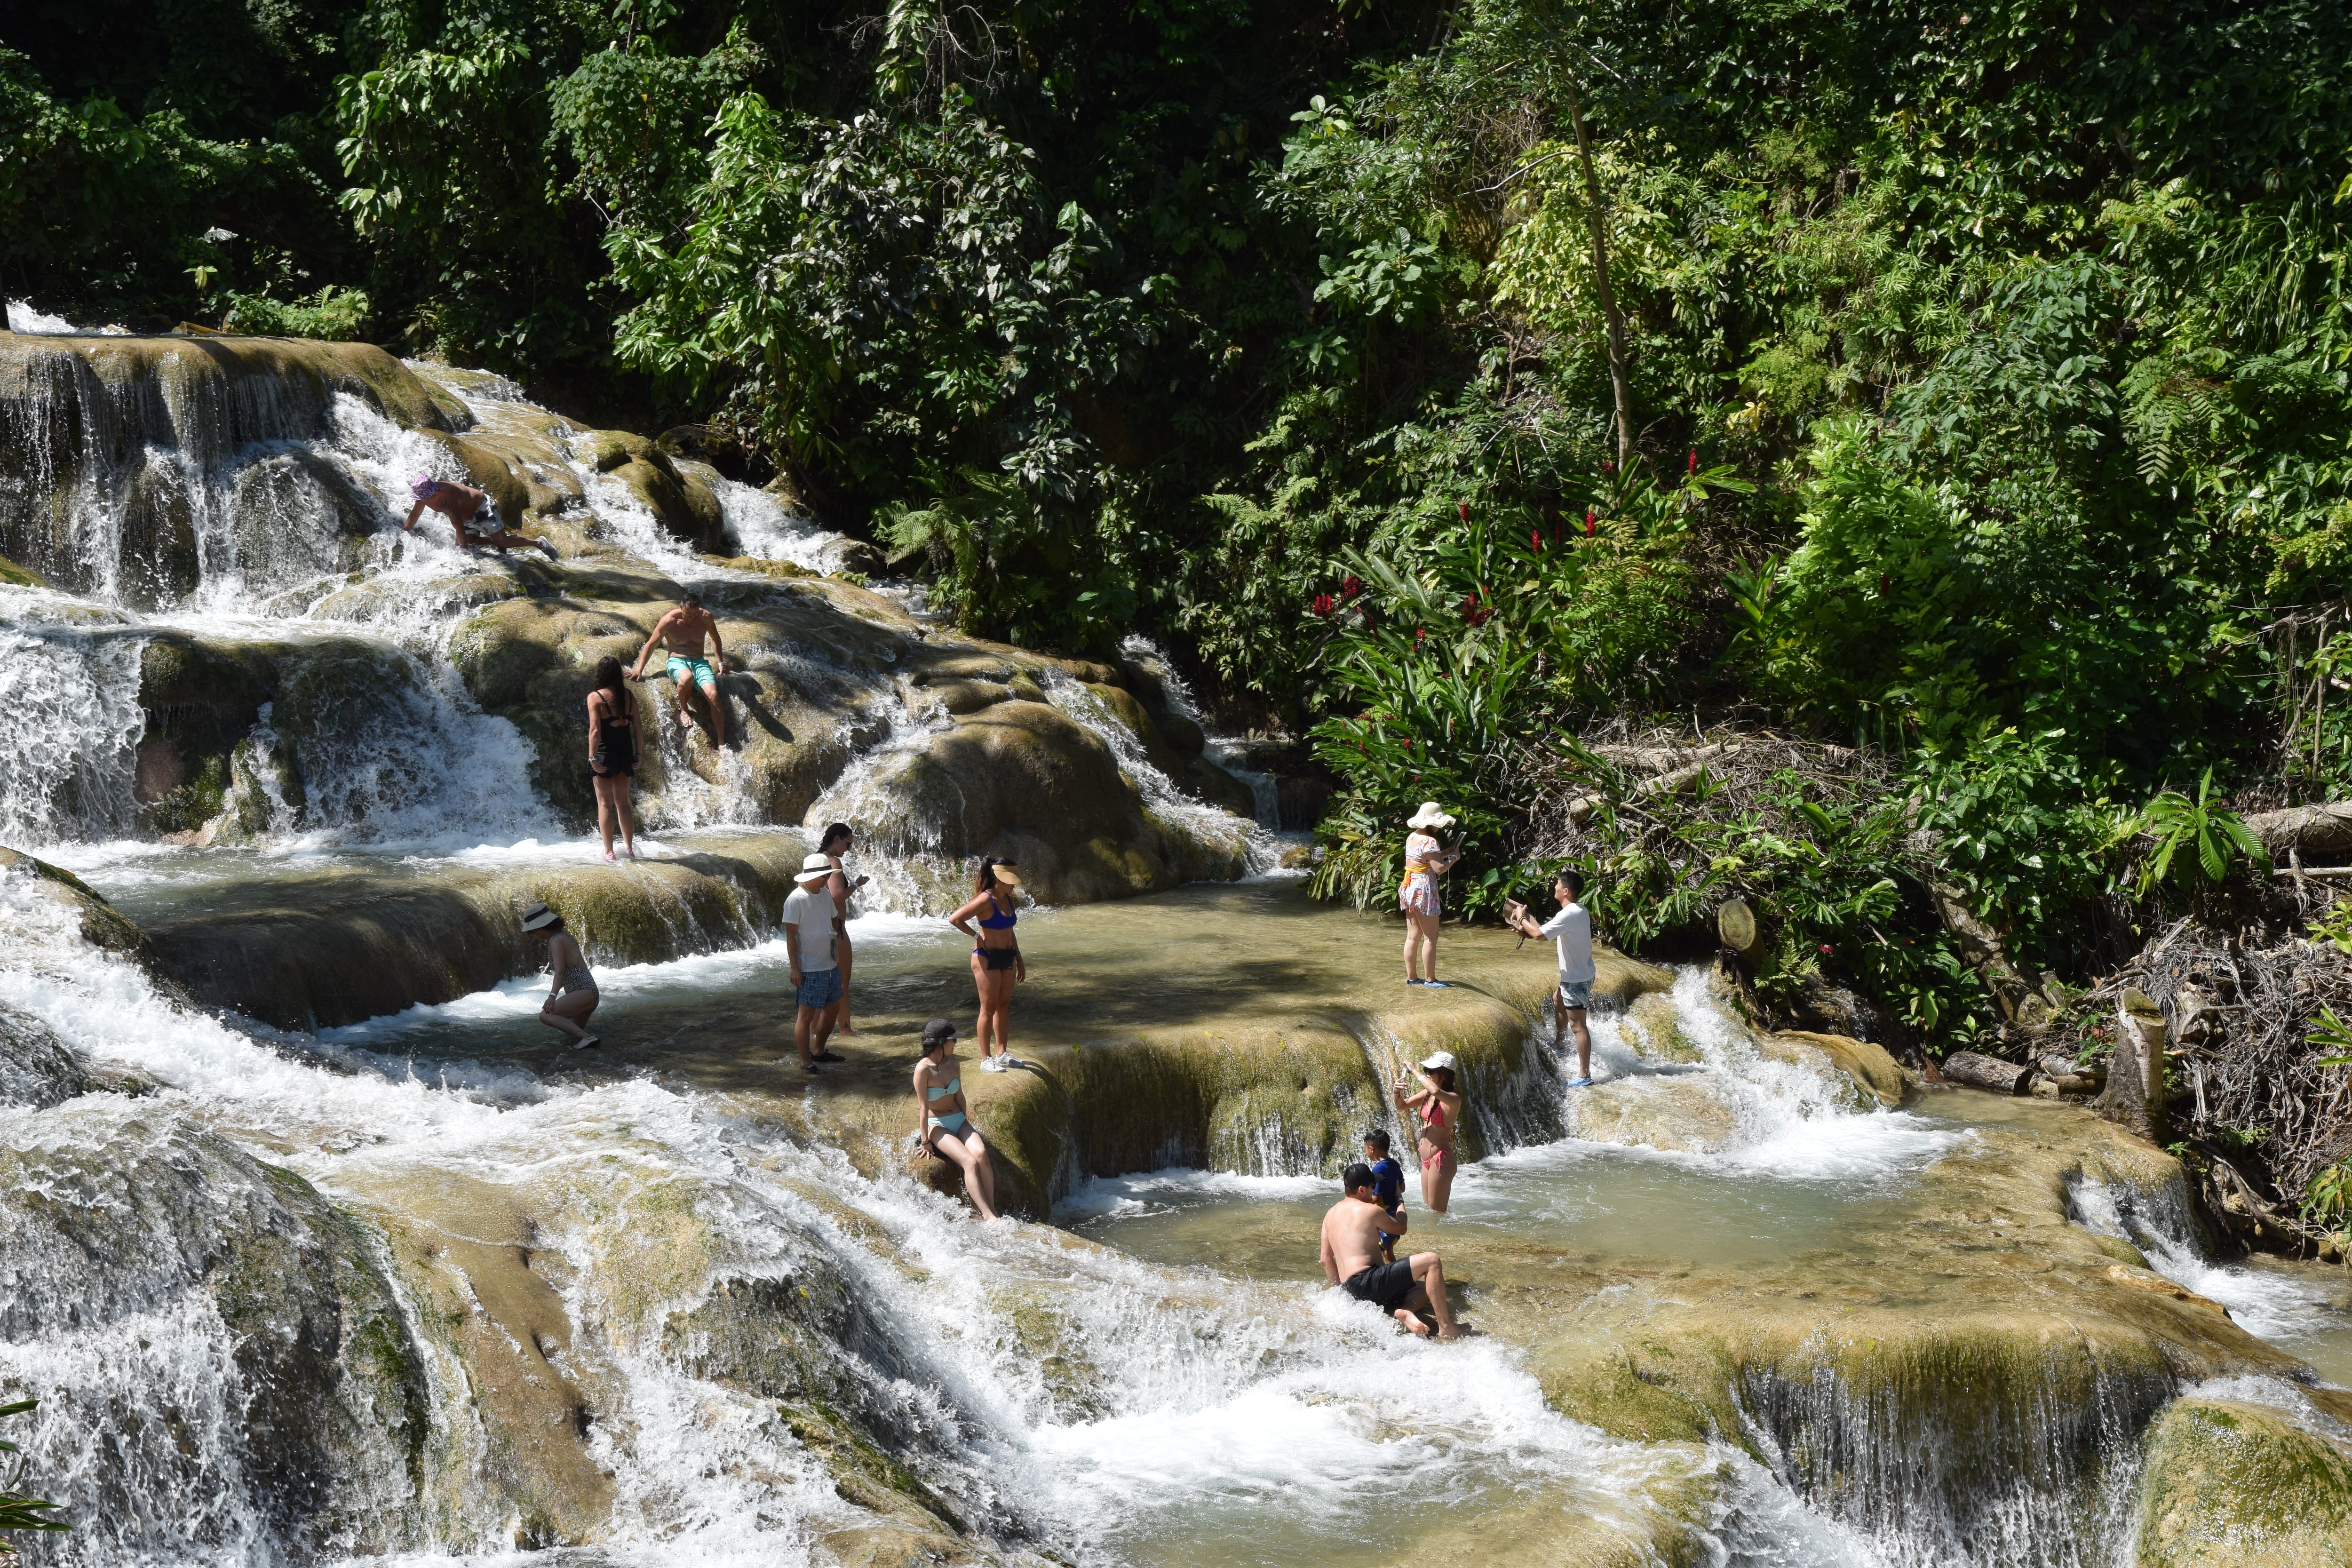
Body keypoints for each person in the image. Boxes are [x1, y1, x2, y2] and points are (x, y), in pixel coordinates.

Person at [1319, 1162, 1462, 1339]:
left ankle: (1405, 1312)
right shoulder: (1370, 1211)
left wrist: (1342, 1294)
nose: (1374, 1191)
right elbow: (1401, 1227)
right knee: (1432, 1261)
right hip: (1369, 1281)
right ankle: (1446, 1327)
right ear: (1362, 1190)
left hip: (1351, 1289)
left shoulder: (1329, 1216)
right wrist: (1400, 1199)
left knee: (1427, 1287)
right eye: (1372, 1187)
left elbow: (1325, 1259)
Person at [1503, 868, 1598, 1088]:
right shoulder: (1579, 910)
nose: (1554, 887)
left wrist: (1520, 918)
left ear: (1566, 891)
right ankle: (1560, 1041)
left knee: (1579, 1026)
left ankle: (1585, 1075)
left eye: (1557, 885)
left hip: (1575, 979)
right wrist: (1525, 928)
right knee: (1558, 1000)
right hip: (1582, 973)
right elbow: (1542, 932)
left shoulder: (1568, 914)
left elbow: (1538, 934)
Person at [913, 1017, 1001, 1221]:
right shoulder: (922, 1070)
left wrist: (965, 1123)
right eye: (953, 1039)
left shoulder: (954, 1063)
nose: (956, 1043)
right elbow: (923, 1109)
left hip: (958, 1120)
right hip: (937, 1125)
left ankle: (993, 1208)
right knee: (969, 1162)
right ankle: (987, 1215)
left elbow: (959, 1095)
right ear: (942, 1042)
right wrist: (925, 1141)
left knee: (981, 1154)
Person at [948, 856, 1026, 1071]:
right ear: (998, 879)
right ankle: (986, 1059)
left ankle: (1003, 1053)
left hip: (1007, 957)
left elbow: (1010, 932)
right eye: (1010, 881)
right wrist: (976, 936)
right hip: (986, 957)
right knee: (988, 1009)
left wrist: (1019, 959)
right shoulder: (986, 899)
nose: (1013, 885)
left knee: (1003, 1005)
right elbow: (955, 918)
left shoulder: (1008, 898)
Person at [628, 590, 730, 746]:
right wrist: (639, 670)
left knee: (714, 695)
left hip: (699, 662)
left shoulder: (706, 617)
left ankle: (722, 741)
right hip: (677, 661)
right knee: (687, 677)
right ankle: (684, 709)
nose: (692, 617)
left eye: (695, 613)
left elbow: (715, 639)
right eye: (689, 613)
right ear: (681, 607)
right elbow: (651, 644)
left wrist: (721, 663)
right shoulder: (669, 621)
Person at [784, 852, 847, 1074]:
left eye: (828, 875)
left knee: (833, 1009)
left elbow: (831, 921)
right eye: (825, 875)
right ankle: (805, 1061)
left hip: (830, 965)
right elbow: (790, 936)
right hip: (810, 968)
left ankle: (819, 1051)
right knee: (807, 1015)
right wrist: (795, 968)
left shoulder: (825, 895)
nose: (827, 879)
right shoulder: (795, 899)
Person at [403, 474, 554, 558]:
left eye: (422, 497)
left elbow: (458, 527)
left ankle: (539, 543)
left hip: (481, 508)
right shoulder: (423, 497)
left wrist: (462, 556)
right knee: (472, 543)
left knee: (504, 542)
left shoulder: (448, 498)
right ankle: (497, 542)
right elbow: (415, 513)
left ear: (434, 493)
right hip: (465, 517)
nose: (419, 499)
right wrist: (405, 532)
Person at [1398, 802, 1462, 987]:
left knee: (1413, 936)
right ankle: (1430, 979)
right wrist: (1453, 858)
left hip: (1409, 886)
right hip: (1424, 890)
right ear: (1433, 824)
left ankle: (1412, 978)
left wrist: (1444, 853)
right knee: (1431, 937)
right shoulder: (1431, 840)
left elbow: (1423, 859)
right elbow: (1439, 869)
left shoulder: (1412, 837)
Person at [1394, 1050, 1464, 1214]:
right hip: (1426, 1160)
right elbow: (1401, 1106)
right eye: (1426, 1070)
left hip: (1441, 1160)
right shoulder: (1428, 1094)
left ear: (1444, 1075)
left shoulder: (1453, 1099)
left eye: (1431, 1071)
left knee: (1438, 1213)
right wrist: (1396, 1091)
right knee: (1429, 1210)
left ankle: (1446, 1239)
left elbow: (1436, 1092)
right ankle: (1434, 1240)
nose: (1427, 1074)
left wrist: (1415, 1071)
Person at [585, 656, 640, 863]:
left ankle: (609, 851)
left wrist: (592, 758)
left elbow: (595, 730)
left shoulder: (595, 697)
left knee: (605, 804)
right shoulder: (628, 695)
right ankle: (629, 848)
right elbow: (638, 727)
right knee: (623, 802)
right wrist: (639, 754)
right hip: (626, 751)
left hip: (605, 753)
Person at [522, 902, 599, 1049]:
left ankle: (588, 1038)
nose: (534, 935)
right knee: (570, 1037)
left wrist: (552, 996)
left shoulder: (556, 941)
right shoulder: (563, 935)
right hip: (588, 993)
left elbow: (560, 972)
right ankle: (587, 1041)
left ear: (540, 928)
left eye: (532, 931)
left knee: (546, 1016)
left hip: (584, 993)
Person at [819, 822, 869, 1035]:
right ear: (837, 839)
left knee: (820, 981)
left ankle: (814, 1029)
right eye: (848, 844)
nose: (848, 849)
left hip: (817, 930)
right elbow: (838, 895)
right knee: (842, 983)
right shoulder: (833, 862)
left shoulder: (815, 859)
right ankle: (845, 1029)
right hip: (837, 929)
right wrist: (856, 885)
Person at [1363, 1128, 1407, 1262]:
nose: (1365, 1152)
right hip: (1395, 1215)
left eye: (1365, 1148)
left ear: (1372, 1149)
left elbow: (1377, 1198)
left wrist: (1360, 1203)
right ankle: (1396, 1277)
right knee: (1388, 1252)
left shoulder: (1378, 1169)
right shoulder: (1394, 1164)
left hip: (1385, 1219)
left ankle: (1391, 1279)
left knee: (1381, 1251)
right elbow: (1402, 1187)